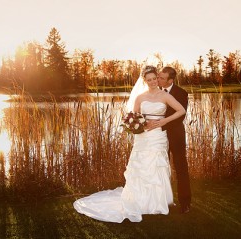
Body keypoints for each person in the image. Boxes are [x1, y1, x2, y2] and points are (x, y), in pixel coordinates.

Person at [73, 66, 186, 223]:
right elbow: (135, 117)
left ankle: (159, 201)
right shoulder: (140, 97)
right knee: (141, 167)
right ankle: (139, 200)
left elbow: (181, 111)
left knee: (157, 166)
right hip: (144, 138)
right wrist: (143, 124)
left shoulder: (165, 95)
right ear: (144, 81)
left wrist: (163, 121)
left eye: (155, 78)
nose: (153, 82)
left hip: (158, 136)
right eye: (149, 80)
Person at [157, 66, 191, 214]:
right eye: (158, 76)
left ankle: (185, 202)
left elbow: (181, 116)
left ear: (170, 80)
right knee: (158, 167)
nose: (158, 80)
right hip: (157, 136)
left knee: (180, 167)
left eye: (162, 78)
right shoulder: (154, 91)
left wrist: (163, 123)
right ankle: (160, 200)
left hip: (175, 135)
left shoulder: (181, 93)